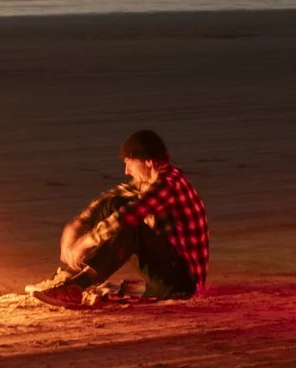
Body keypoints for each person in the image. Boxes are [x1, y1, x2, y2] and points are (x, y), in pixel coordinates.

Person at [28, 130, 208, 307]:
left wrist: (84, 243)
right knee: (113, 204)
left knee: (131, 225)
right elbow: (110, 197)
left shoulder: (167, 185)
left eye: (129, 163)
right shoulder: (154, 178)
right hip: (169, 271)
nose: (127, 171)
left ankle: (76, 287)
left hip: (182, 283)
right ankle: (69, 275)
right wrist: (76, 225)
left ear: (148, 162)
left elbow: (127, 216)